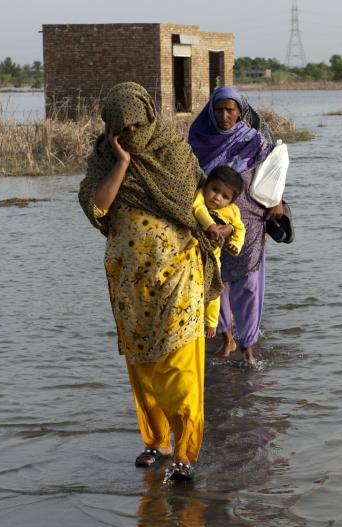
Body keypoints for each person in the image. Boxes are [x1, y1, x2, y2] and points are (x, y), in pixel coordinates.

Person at [78, 82, 221, 482]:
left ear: (149, 117)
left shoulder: (174, 152)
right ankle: (156, 441)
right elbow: (98, 207)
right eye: (122, 129)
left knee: (178, 365)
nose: (132, 134)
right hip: (129, 283)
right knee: (143, 365)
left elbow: (192, 203)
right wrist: (121, 163)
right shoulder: (103, 160)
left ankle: (186, 451)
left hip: (179, 275)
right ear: (110, 128)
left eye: (137, 125)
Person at [188, 86, 284, 366]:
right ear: (211, 110)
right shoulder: (197, 139)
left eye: (230, 110)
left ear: (241, 113)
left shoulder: (253, 141)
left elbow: (272, 176)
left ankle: (248, 345)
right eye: (219, 109)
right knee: (213, 280)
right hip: (209, 224)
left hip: (249, 224)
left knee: (249, 285)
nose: (224, 115)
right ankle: (226, 336)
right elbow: (189, 181)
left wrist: (277, 201)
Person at [192, 165, 246, 339]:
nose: (217, 198)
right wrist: (211, 225)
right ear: (206, 185)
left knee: (214, 290)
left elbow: (240, 229)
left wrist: (235, 245)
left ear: (231, 201)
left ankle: (212, 323)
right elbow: (197, 209)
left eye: (225, 196)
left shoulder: (232, 211)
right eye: (214, 190)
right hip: (193, 253)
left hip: (214, 256)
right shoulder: (199, 196)